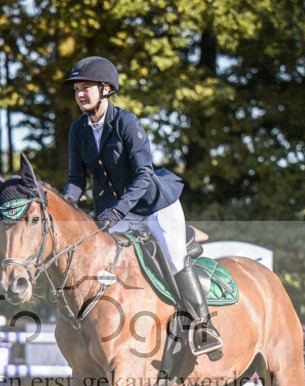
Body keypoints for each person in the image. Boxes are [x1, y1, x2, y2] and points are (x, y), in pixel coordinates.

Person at [62, 56, 222, 356]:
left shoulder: (125, 122)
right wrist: (67, 204)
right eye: (77, 89)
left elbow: (143, 175)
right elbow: (75, 178)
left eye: (87, 87)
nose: (81, 94)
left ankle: (204, 326)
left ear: (106, 89)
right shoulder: (78, 130)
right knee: (104, 264)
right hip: (115, 213)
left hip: (153, 207)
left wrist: (119, 210)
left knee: (175, 259)